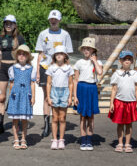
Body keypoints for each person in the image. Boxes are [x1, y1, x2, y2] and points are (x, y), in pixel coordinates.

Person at [35, 9, 73, 137]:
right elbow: (40, 54)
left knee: (60, 94)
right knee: (47, 96)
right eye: (51, 19)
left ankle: (59, 121)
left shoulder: (65, 35)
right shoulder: (43, 34)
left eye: (55, 19)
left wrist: (68, 71)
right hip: (46, 67)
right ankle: (47, 124)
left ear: (60, 20)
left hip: (61, 68)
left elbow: (68, 55)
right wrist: (38, 72)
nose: (53, 21)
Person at [0, 15, 26, 135]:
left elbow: (25, 54)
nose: (8, 25)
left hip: (15, 68)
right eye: (6, 23)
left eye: (11, 23)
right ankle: (0, 124)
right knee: (1, 97)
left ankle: (16, 123)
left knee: (15, 96)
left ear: (15, 25)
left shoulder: (20, 38)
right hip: (2, 67)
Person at [73, 37, 103, 151]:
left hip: (91, 88)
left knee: (90, 117)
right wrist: (75, 96)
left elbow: (100, 73)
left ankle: (89, 140)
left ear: (93, 50)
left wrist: (94, 60)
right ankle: (83, 140)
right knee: (82, 117)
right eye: (84, 48)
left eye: (89, 49)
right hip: (81, 88)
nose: (86, 50)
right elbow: (75, 80)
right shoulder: (79, 62)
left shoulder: (97, 62)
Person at [108, 50, 137, 153]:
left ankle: (127, 144)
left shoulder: (135, 73)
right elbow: (114, 89)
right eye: (125, 59)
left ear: (132, 61)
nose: (127, 61)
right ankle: (120, 143)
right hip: (119, 102)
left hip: (131, 102)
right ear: (120, 61)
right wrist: (111, 103)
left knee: (129, 124)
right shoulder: (116, 74)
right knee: (120, 124)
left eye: (129, 59)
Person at [6, 45, 36, 150]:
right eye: (20, 53)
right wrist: (11, 95)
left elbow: (32, 83)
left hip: (26, 94)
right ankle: (15, 138)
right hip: (16, 95)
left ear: (28, 56)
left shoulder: (31, 69)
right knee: (15, 118)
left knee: (24, 119)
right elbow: (11, 83)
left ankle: (23, 138)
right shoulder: (13, 68)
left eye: (24, 54)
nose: (22, 56)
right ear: (17, 55)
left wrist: (33, 97)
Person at [46, 45, 74, 150]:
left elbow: (71, 83)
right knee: (54, 117)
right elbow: (48, 83)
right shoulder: (51, 68)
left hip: (65, 92)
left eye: (61, 54)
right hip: (54, 91)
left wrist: (70, 96)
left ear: (65, 56)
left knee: (62, 118)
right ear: (54, 56)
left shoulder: (68, 68)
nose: (59, 55)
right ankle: (54, 139)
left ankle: (61, 139)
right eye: (57, 54)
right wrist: (48, 97)